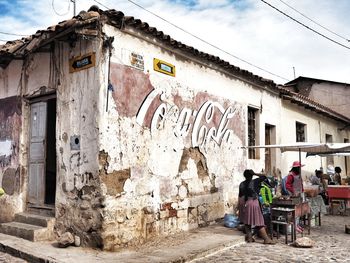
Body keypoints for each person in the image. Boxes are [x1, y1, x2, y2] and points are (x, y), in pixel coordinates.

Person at [238, 169, 275, 244]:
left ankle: (249, 238)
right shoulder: (255, 182)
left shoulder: (241, 184)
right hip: (253, 203)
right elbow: (264, 176)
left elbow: (240, 196)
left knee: (247, 222)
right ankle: (266, 239)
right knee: (259, 222)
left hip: (245, 203)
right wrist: (255, 173)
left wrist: (240, 207)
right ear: (252, 175)